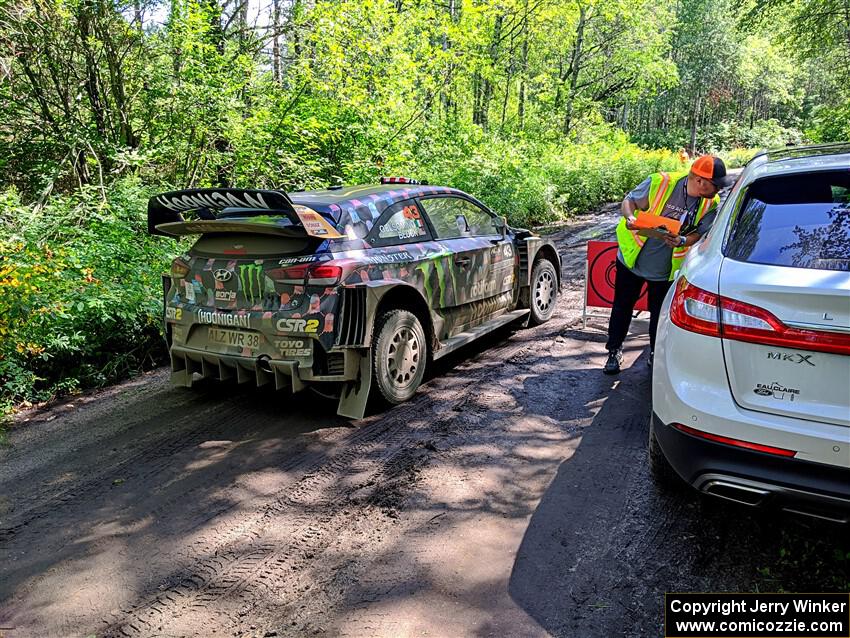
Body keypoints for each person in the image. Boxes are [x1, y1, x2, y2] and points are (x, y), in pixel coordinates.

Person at [603, 155, 732, 375]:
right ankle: (613, 351)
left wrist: (682, 240)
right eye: (716, 185)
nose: (718, 190)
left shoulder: (712, 203)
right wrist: (629, 218)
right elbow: (630, 201)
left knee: (659, 315)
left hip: (664, 271)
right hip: (632, 260)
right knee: (622, 307)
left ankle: (655, 353)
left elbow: (698, 233)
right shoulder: (661, 182)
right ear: (700, 180)